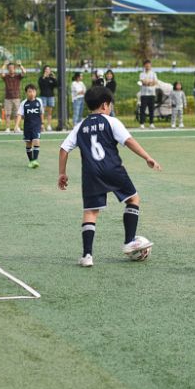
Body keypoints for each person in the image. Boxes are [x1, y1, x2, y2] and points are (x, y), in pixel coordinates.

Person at [58, 85, 161, 267]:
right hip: (113, 169)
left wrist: (62, 173)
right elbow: (129, 141)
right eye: (110, 104)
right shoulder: (111, 121)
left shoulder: (80, 126)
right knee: (133, 199)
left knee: (90, 212)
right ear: (105, 105)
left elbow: (64, 148)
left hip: (91, 173)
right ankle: (130, 241)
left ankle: (87, 256)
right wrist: (147, 157)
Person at [15, 84, 44, 169]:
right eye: (30, 91)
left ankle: (35, 160)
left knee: (36, 141)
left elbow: (41, 113)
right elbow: (19, 115)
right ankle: (31, 161)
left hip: (36, 126)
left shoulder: (39, 101)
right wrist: (16, 125)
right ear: (26, 93)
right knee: (28, 144)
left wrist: (42, 124)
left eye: (33, 91)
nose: (32, 93)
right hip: (27, 127)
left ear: (36, 92)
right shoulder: (24, 103)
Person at [1, 61, 25, 133]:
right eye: (10, 68)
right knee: (7, 114)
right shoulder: (6, 77)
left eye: (12, 68)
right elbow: (1, 73)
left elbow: (24, 72)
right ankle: (7, 128)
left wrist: (20, 65)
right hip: (8, 98)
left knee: (17, 114)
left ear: (14, 69)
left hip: (16, 97)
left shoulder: (18, 76)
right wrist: (4, 64)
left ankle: (17, 127)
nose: (11, 69)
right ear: (8, 69)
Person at [37, 65, 58, 131]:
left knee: (49, 112)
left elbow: (56, 84)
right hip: (43, 96)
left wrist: (54, 77)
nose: (47, 71)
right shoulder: (41, 78)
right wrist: (44, 77)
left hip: (51, 96)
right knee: (42, 111)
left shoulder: (52, 79)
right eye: (46, 69)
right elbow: (40, 85)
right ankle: (42, 125)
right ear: (44, 70)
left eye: (49, 69)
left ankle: (49, 125)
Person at [138, 59, 157, 128]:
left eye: (149, 65)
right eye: (146, 65)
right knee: (143, 109)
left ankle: (151, 123)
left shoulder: (153, 73)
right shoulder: (141, 74)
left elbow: (155, 82)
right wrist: (148, 82)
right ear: (144, 66)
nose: (148, 66)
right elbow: (143, 82)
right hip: (144, 94)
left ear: (150, 66)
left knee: (151, 109)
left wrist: (148, 82)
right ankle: (142, 123)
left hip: (152, 94)